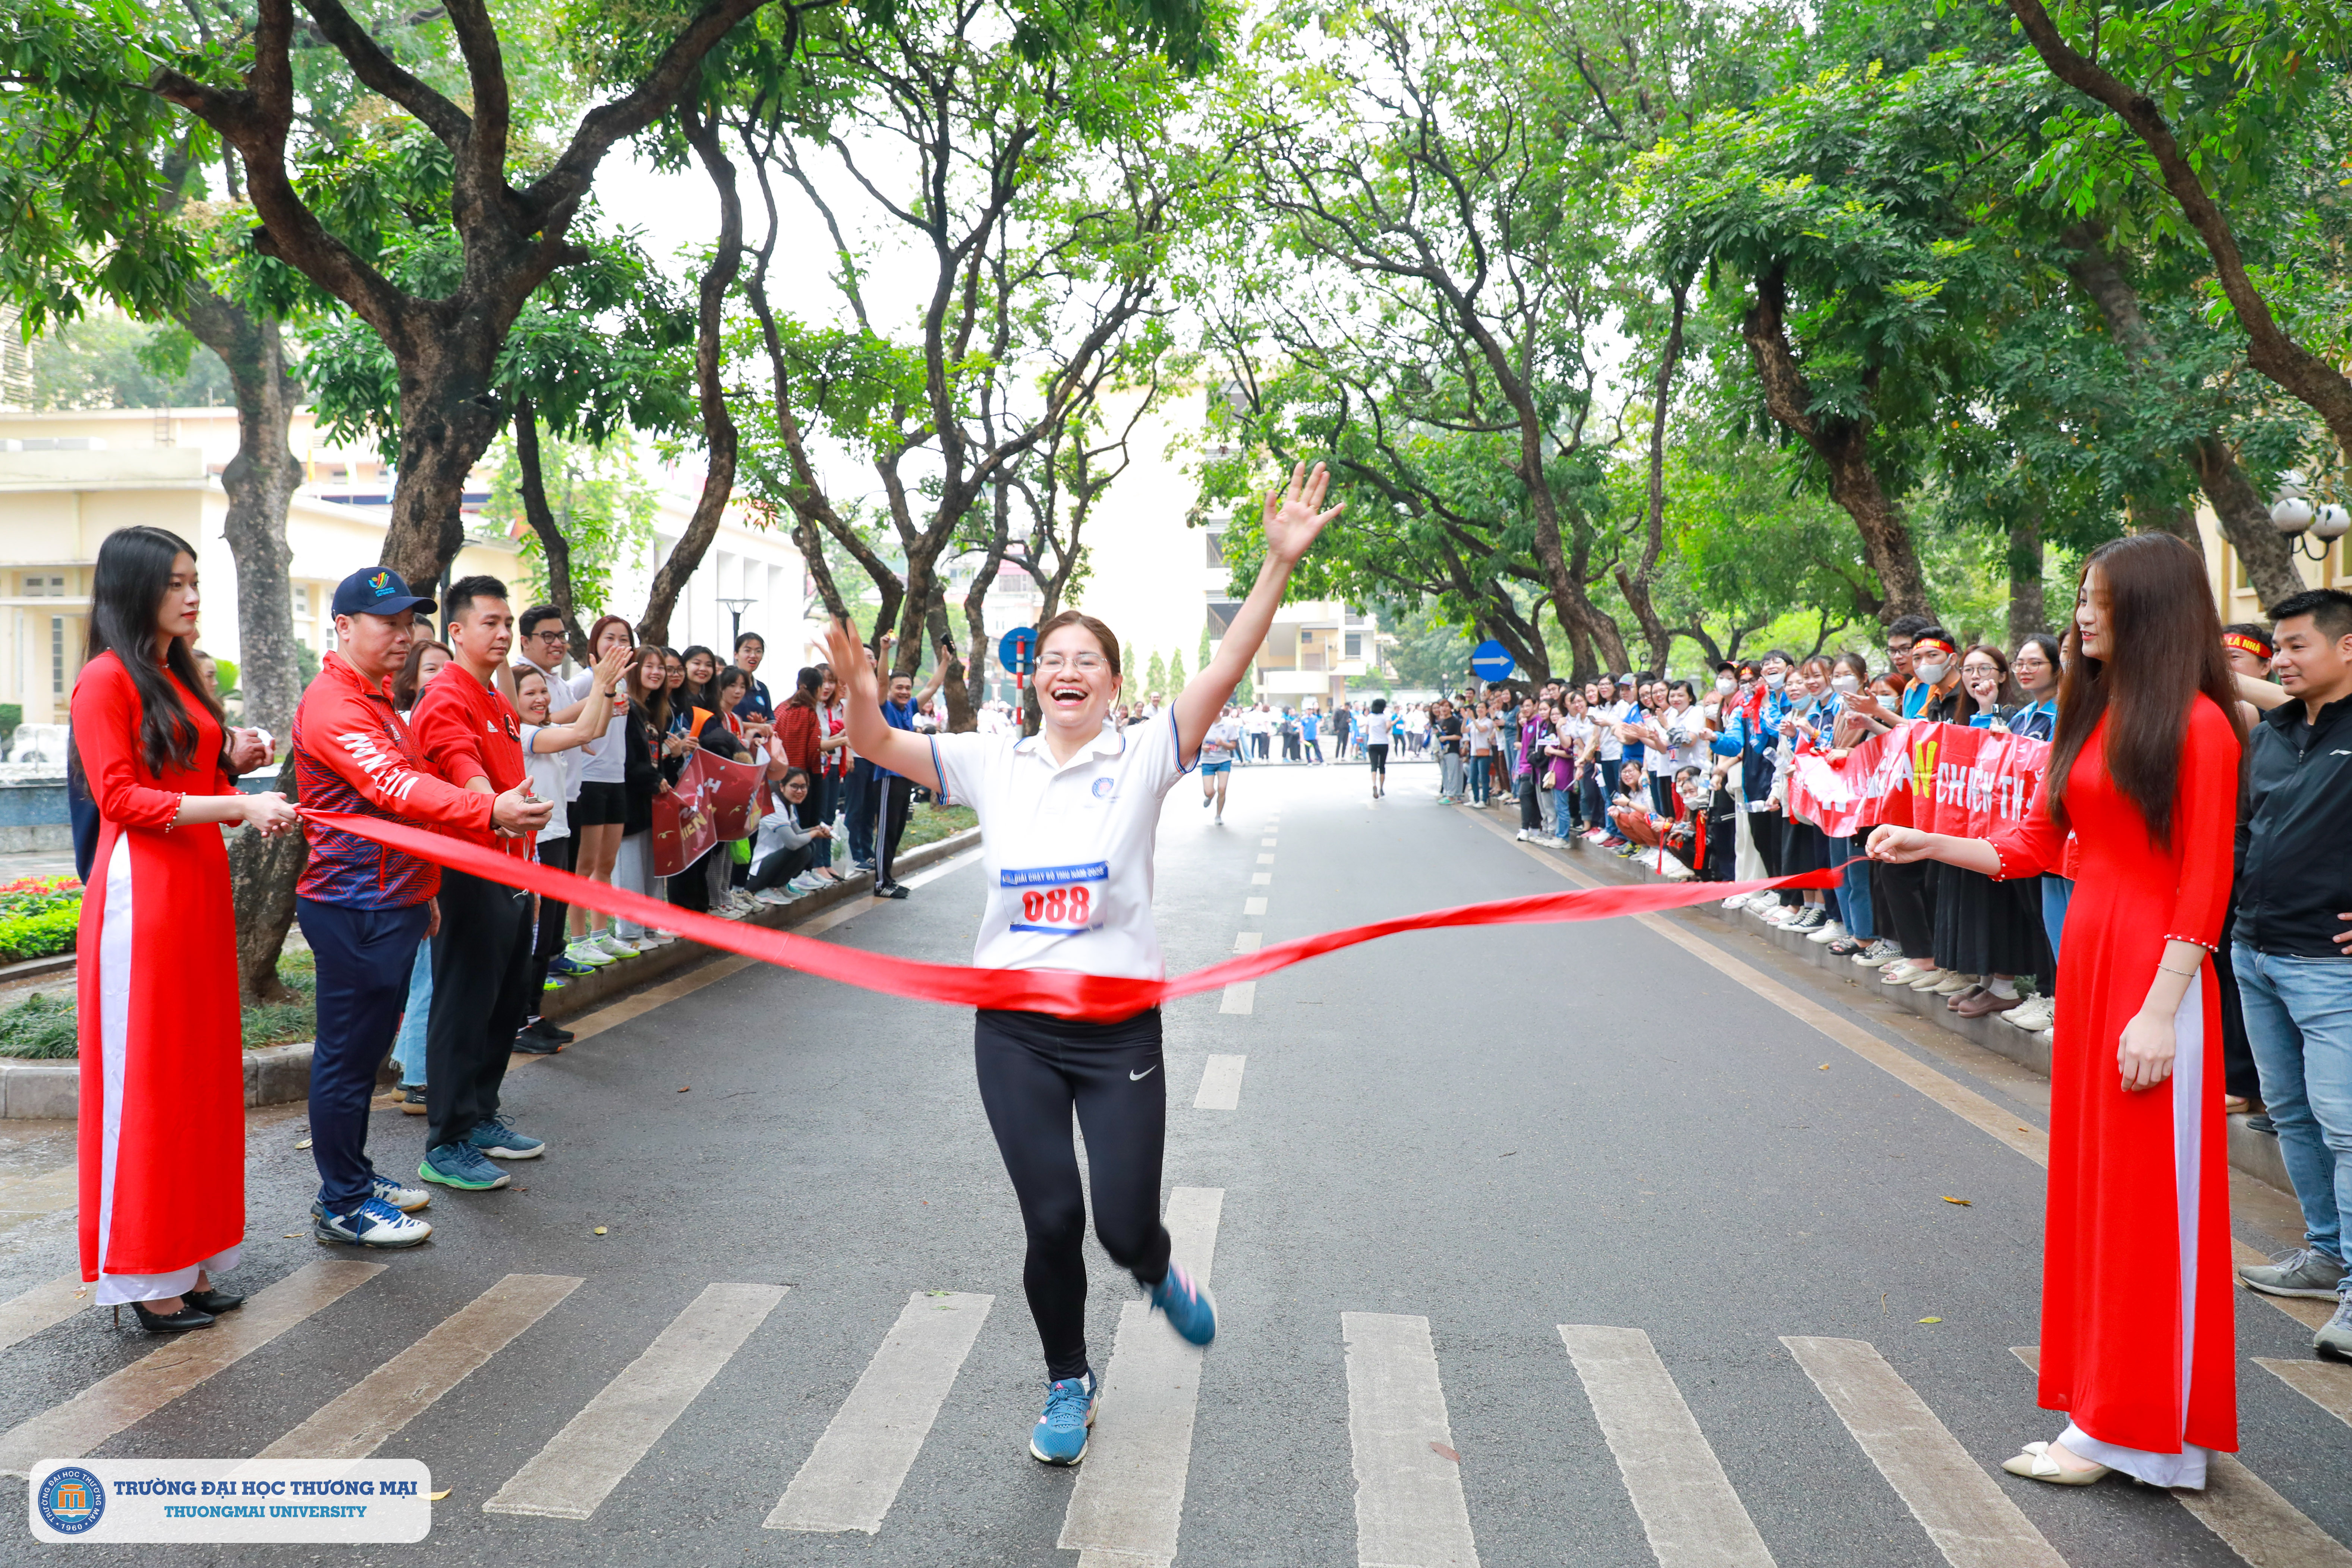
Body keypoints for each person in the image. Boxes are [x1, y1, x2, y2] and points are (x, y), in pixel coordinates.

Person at [822, 459, 1339, 1467]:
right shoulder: (986, 759)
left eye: (1087, 660)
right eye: (1052, 656)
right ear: (1031, 673)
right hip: (1012, 1028)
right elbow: (876, 740)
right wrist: (852, 692)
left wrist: (1274, 568)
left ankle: (1155, 1264)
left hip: (1116, 1031)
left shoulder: (1145, 753)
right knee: (1052, 1217)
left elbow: (1226, 664)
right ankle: (1069, 1379)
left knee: (1118, 1224)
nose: (1068, 671)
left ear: (1109, 681)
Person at [1870, 533, 2242, 1488]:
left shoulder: (2199, 725)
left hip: (2152, 977)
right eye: (2082, 595)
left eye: (2104, 600)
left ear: (2154, 608)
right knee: (2095, 1199)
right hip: (2087, 963)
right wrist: (1924, 838)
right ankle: (2106, 1411)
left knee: (2144, 1208)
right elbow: (2028, 845)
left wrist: (2160, 1011)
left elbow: (2204, 881)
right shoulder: (2091, 710)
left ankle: (2135, 1428)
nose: (2083, 615)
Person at [72, 526, 292, 1329]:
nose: (191, 594)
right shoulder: (105, 681)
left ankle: (192, 1259)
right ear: (135, 589)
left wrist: (234, 756)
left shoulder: (177, 674)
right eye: (174, 582)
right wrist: (240, 802)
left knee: (201, 1084)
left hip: (197, 890)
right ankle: (144, 1273)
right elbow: (122, 799)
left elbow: (186, 768)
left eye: (195, 579)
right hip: (146, 898)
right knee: (151, 1089)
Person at [293, 569, 543, 1250]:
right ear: (343, 627)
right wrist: (488, 807)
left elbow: (406, 804)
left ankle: (355, 1174)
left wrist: (423, 887)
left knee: (366, 1053)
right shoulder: (334, 705)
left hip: (392, 901)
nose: (403, 637)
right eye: (386, 623)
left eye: (408, 624)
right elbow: (399, 788)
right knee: (346, 1062)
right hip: (353, 907)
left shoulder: (375, 698)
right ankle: (342, 1201)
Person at [2228, 588, 2352, 1360]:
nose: (2281, 657)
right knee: (2290, 1112)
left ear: (2346, 648)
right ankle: (2324, 1256)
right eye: (2277, 645)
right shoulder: (2273, 731)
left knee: (2347, 1128)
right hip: (2255, 950)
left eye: (2297, 644)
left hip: (2327, 964)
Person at [409, 576, 554, 1192]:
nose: (500, 633)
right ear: (457, 631)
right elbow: (460, 764)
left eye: (506, 622)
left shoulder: (495, 697)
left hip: (511, 869)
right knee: (463, 1004)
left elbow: (509, 782)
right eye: (489, 623)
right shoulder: (446, 696)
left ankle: (481, 1116)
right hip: (468, 871)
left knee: (504, 1000)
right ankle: (445, 1142)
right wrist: (491, 806)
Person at [511, 649, 628, 1050]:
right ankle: (517, 1024)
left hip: (557, 835)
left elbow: (592, 730)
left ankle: (532, 1014)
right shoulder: (523, 735)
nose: (541, 699)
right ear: (512, 700)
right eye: (530, 694)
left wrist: (607, 690)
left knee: (547, 939)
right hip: (535, 845)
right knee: (533, 937)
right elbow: (581, 732)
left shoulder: (541, 730)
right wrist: (601, 684)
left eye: (543, 692)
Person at [388, 638, 452, 1112]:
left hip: (433, 859)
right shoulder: (408, 728)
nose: (442, 678)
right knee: (429, 973)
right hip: (419, 863)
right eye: (432, 669)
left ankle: (413, 1069)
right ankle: (416, 1077)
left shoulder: (423, 723)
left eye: (449, 670)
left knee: (427, 972)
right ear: (410, 678)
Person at [1199, 705, 1242, 821]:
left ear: (1221, 711)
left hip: (1224, 760)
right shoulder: (1203, 726)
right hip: (1208, 761)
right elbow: (1197, 744)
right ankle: (1210, 796)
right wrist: (1203, 747)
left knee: (1222, 789)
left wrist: (1223, 743)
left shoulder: (1228, 727)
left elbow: (1233, 746)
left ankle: (1218, 815)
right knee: (1209, 791)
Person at [735, 631, 775, 723]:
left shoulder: (762, 689)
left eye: (758, 651)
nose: (753, 656)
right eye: (747, 651)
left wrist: (763, 725)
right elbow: (724, 721)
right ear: (736, 654)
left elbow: (770, 722)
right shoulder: (722, 683)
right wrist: (757, 726)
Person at [1361, 698, 1394, 797]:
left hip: (1372, 743)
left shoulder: (1370, 717)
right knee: (1382, 766)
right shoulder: (1386, 717)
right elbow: (1388, 727)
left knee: (1374, 766)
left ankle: (1374, 785)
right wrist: (1386, 730)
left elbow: (1367, 731)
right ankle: (1381, 788)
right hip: (1383, 743)